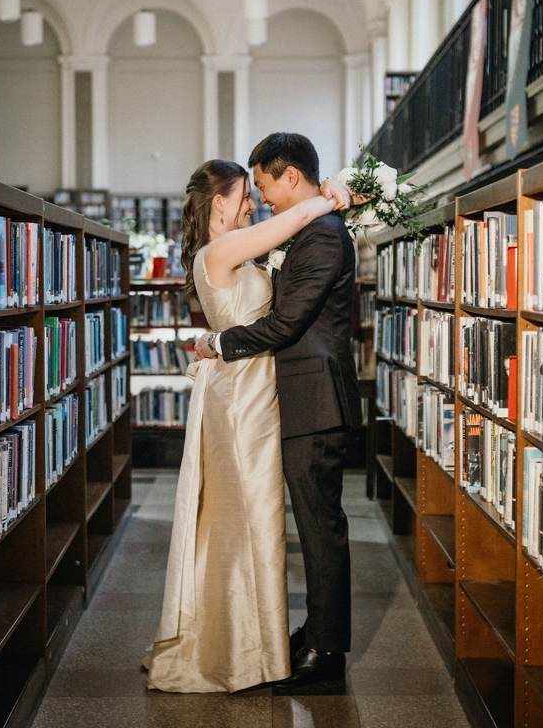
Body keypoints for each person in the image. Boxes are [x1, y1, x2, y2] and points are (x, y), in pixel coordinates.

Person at [144, 153, 350, 693]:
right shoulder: (225, 247)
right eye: (246, 194)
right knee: (249, 523)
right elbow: (295, 219)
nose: (256, 202)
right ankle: (246, 651)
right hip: (240, 399)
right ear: (221, 203)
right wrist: (332, 193)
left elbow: (292, 228)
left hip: (254, 392)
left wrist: (327, 190)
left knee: (248, 523)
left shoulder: (238, 246)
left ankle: (254, 643)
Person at [195, 133, 361, 692]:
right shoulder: (306, 230)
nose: (261, 199)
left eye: (263, 185)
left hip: (316, 399)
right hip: (298, 397)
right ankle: (315, 632)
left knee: (320, 527)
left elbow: (287, 325)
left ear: (291, 176)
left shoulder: (323, 235)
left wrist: (219, 344)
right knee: (312, 524)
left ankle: (327, 654)